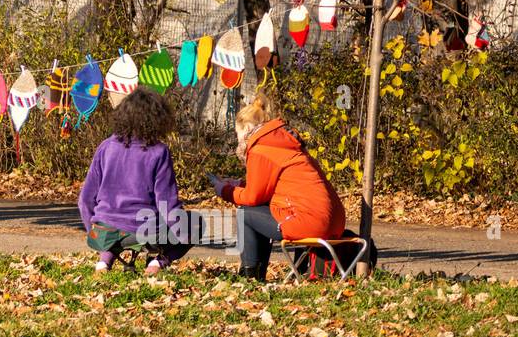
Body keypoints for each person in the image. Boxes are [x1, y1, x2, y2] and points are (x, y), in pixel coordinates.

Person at [214, 90, 347, 281]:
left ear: (247, 128)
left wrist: (225, 191)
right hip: (332, 220)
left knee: (246, 212)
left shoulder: (260, 148)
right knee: (256, 210)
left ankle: (250, 276)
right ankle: (266, 273)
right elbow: (271, 187)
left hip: (311, 222)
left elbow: (253, 197)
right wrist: (240, 185)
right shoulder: (281, 142)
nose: (237, 140)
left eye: (237, 134)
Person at [78, 87, 191, 276]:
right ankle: (157, 263)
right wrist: (183, 234)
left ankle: (103, 262)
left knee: (112, 229)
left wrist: (93, 231)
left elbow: (85, 200)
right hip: (144, 231)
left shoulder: (106, 147)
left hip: (104, 230)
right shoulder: (159, 152)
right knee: (197, 223)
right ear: (158, 120)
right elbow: (167, 204)